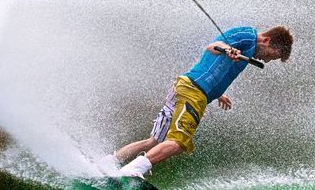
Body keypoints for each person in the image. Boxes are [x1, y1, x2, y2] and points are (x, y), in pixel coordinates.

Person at [106, 26, 293, 178]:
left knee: (155, 141)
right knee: (178, 142)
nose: (266, 60)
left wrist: (219, 94)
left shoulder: (248, 49)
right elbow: (213, 46)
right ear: (267, 40)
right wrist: (227, 49)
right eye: (270, 55)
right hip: (193, 92)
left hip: (187, 88)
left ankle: (110, 162)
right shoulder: (246, 36)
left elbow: (217, 69)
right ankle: (132, 170)